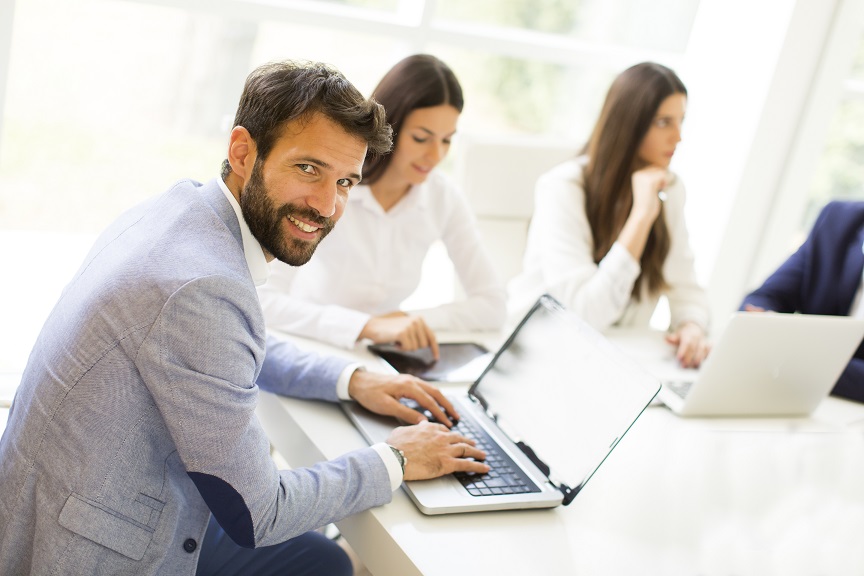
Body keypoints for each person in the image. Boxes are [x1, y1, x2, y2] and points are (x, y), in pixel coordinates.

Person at [0, 60, 490, 575]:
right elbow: (261, 513)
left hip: (86, 502)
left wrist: (352, 379)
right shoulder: (204, 287)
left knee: (320, 558)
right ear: (242, 151)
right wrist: (397, 459)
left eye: (345, 181)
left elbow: (220, 346)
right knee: (322, 563)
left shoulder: (183, 212)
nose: (326, 205)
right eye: (308, 169)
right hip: (89, 552)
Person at [258, 54, 507, 359]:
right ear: (390, 126)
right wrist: (365, 326)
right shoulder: (331, 190)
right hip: (309, 348)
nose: (435, 155)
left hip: (386, 357)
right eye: (421, 138)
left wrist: (408, 323)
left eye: (447, 141)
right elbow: (264, 300)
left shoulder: (443, 198)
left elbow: (493, 304)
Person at [508, 61, 710, 368]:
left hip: (613, 359)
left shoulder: (668, 187)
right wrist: (641, 217)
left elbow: (686, 287)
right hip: (542, 357)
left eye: (681, 121)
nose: (678, 137)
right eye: (663, 122)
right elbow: (584, 314)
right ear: (630, 123)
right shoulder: (563, 187)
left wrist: (691, 325)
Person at [740, 200, 864, 402]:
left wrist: (792, 353)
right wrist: (769, 326)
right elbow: (761, 300)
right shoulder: (839, 219)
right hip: (798, 399)